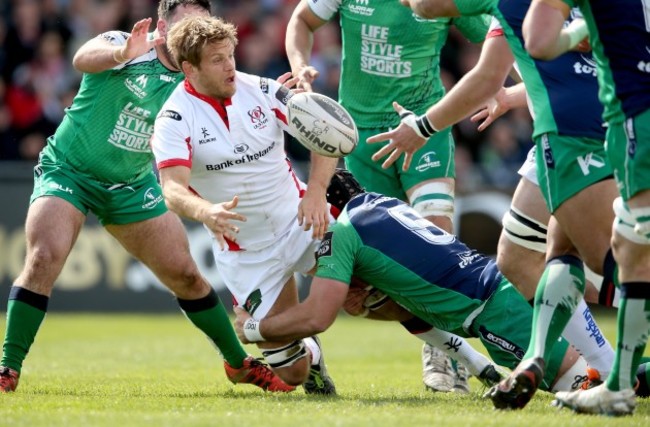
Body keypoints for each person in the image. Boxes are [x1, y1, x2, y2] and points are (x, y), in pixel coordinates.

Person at [0, 0, 293, 394]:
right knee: (44, 257)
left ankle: (237, 364)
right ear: (162, 24)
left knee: (187, 275)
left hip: (133, 185)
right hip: (70, 170)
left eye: (201, 25)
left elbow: (243, 93)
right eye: (185, 24)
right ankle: (7, 369)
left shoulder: (197, 76)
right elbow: (82, 58)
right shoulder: (126, 44)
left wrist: (279, 95)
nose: (194, 33)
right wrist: (123, 52)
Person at [369, 0, 625, 410]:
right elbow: (564, 66)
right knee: (524, 256)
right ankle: (608, 370)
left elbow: (483, 73)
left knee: (610, 259)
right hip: (568, 126)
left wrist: (422, 126)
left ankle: (617, 377)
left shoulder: (509, 2)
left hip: (581, 131)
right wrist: (511, 97)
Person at [232, 169, 596, 397]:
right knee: (597, 372)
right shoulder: (383, 204)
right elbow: (408, 304)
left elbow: (317, 317)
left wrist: (252, 329)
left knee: (586, 384)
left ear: (328, 208)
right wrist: (476, 364)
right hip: (500, 293)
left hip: (497, 309)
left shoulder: (343, 233)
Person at [285, 0, 494, 393]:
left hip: (423, 126)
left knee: (436, 236)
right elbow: (301, 20)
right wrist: (300, 67)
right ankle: (446, 344)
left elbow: (502, 34)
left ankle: (446, 358)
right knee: (389, 265)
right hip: (360, 138)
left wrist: (511, 89)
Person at [150, 15, 339, 394]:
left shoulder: (264, 90)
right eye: (217, 60)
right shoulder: (173, 118)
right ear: (190, 68)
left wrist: (317, 190)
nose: (230, 66)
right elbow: (172, 190)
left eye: (231, 55)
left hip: (302, 221)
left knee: (374, 289)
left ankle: (452, 359)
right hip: (247, 253)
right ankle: (313, 359)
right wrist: (207, 213)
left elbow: (326, 131)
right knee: (293, 373)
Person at [520, 0, 650, 416]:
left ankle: (614, 382)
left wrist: (579, 31)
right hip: (617, 120)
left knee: (631, 250)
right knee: (626, 244)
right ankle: (615, 380)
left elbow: (539, 41)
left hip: (632, 118)